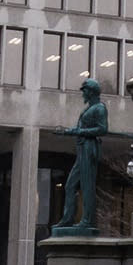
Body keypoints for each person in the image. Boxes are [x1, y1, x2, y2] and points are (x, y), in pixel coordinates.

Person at [53, 78, 108, 231]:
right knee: (70, 184)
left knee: (87, 186)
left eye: (84, 91)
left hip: (89, 148)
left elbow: (103, 129)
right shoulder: (89, 109)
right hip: (82, 149)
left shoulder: (100, 108)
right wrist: (72, 131)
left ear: (91, 92)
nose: (83, 94)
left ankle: (87, 220)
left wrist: (80, 132)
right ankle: (68, 218)